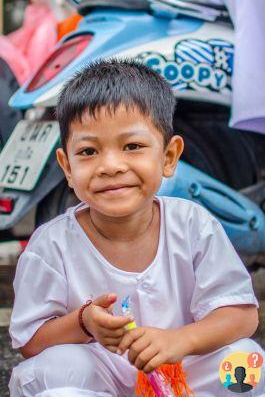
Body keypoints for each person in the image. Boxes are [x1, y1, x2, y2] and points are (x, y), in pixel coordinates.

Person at [9, 59, 265, 397]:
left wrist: (180, 340)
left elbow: (241, 317)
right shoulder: (51, 244)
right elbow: (31, 343)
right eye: (88, 151)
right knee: (53, 371)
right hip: (100, 381)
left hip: (185, 372)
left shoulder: (193, 224)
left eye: (133, 146)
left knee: (246, 361)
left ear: (169, 156)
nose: (111, 166)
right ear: (67, 167)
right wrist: (84, 322)